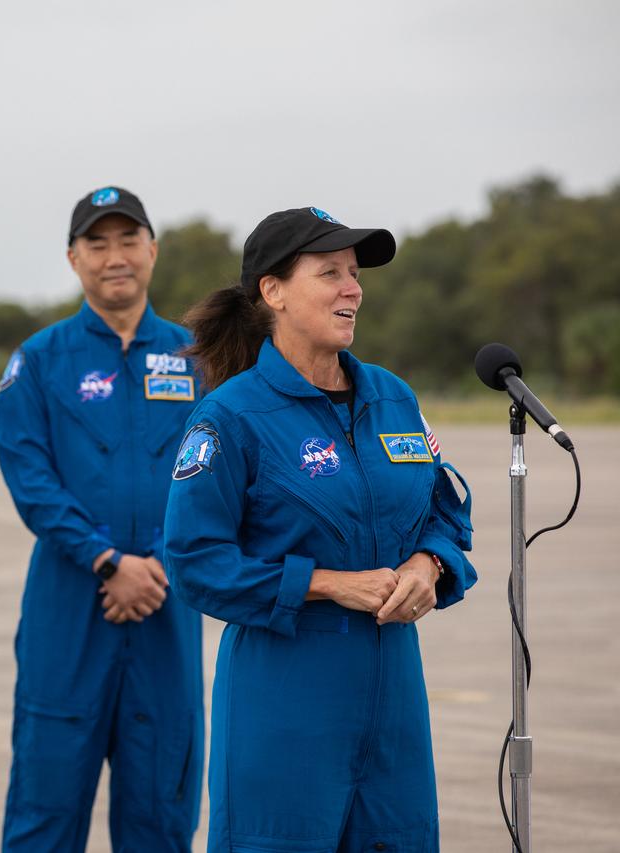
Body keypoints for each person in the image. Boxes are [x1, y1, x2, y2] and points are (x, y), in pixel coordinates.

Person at [164, 206, 479, 852]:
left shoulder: (393, 397)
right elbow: (196, 560)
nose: (352, 288)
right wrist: (329, 584)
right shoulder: (230, 417)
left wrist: (430, 565)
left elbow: (445, 506)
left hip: (394, 707)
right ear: (272, 292)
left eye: (355, 273)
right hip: (285, 702)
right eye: (330, 271)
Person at [0, 186, 204, 852]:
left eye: (127, 239)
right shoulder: (38, 361)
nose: (115, 257)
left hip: (168, 610)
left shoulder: (201, 359)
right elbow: (31, 481)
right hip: (69, 606)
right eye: (97, 242)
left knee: (161, 816)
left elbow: (221, 478)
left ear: (152, 250)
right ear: (72, 257)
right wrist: (107, 560)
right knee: (44, 810)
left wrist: (160, 565)